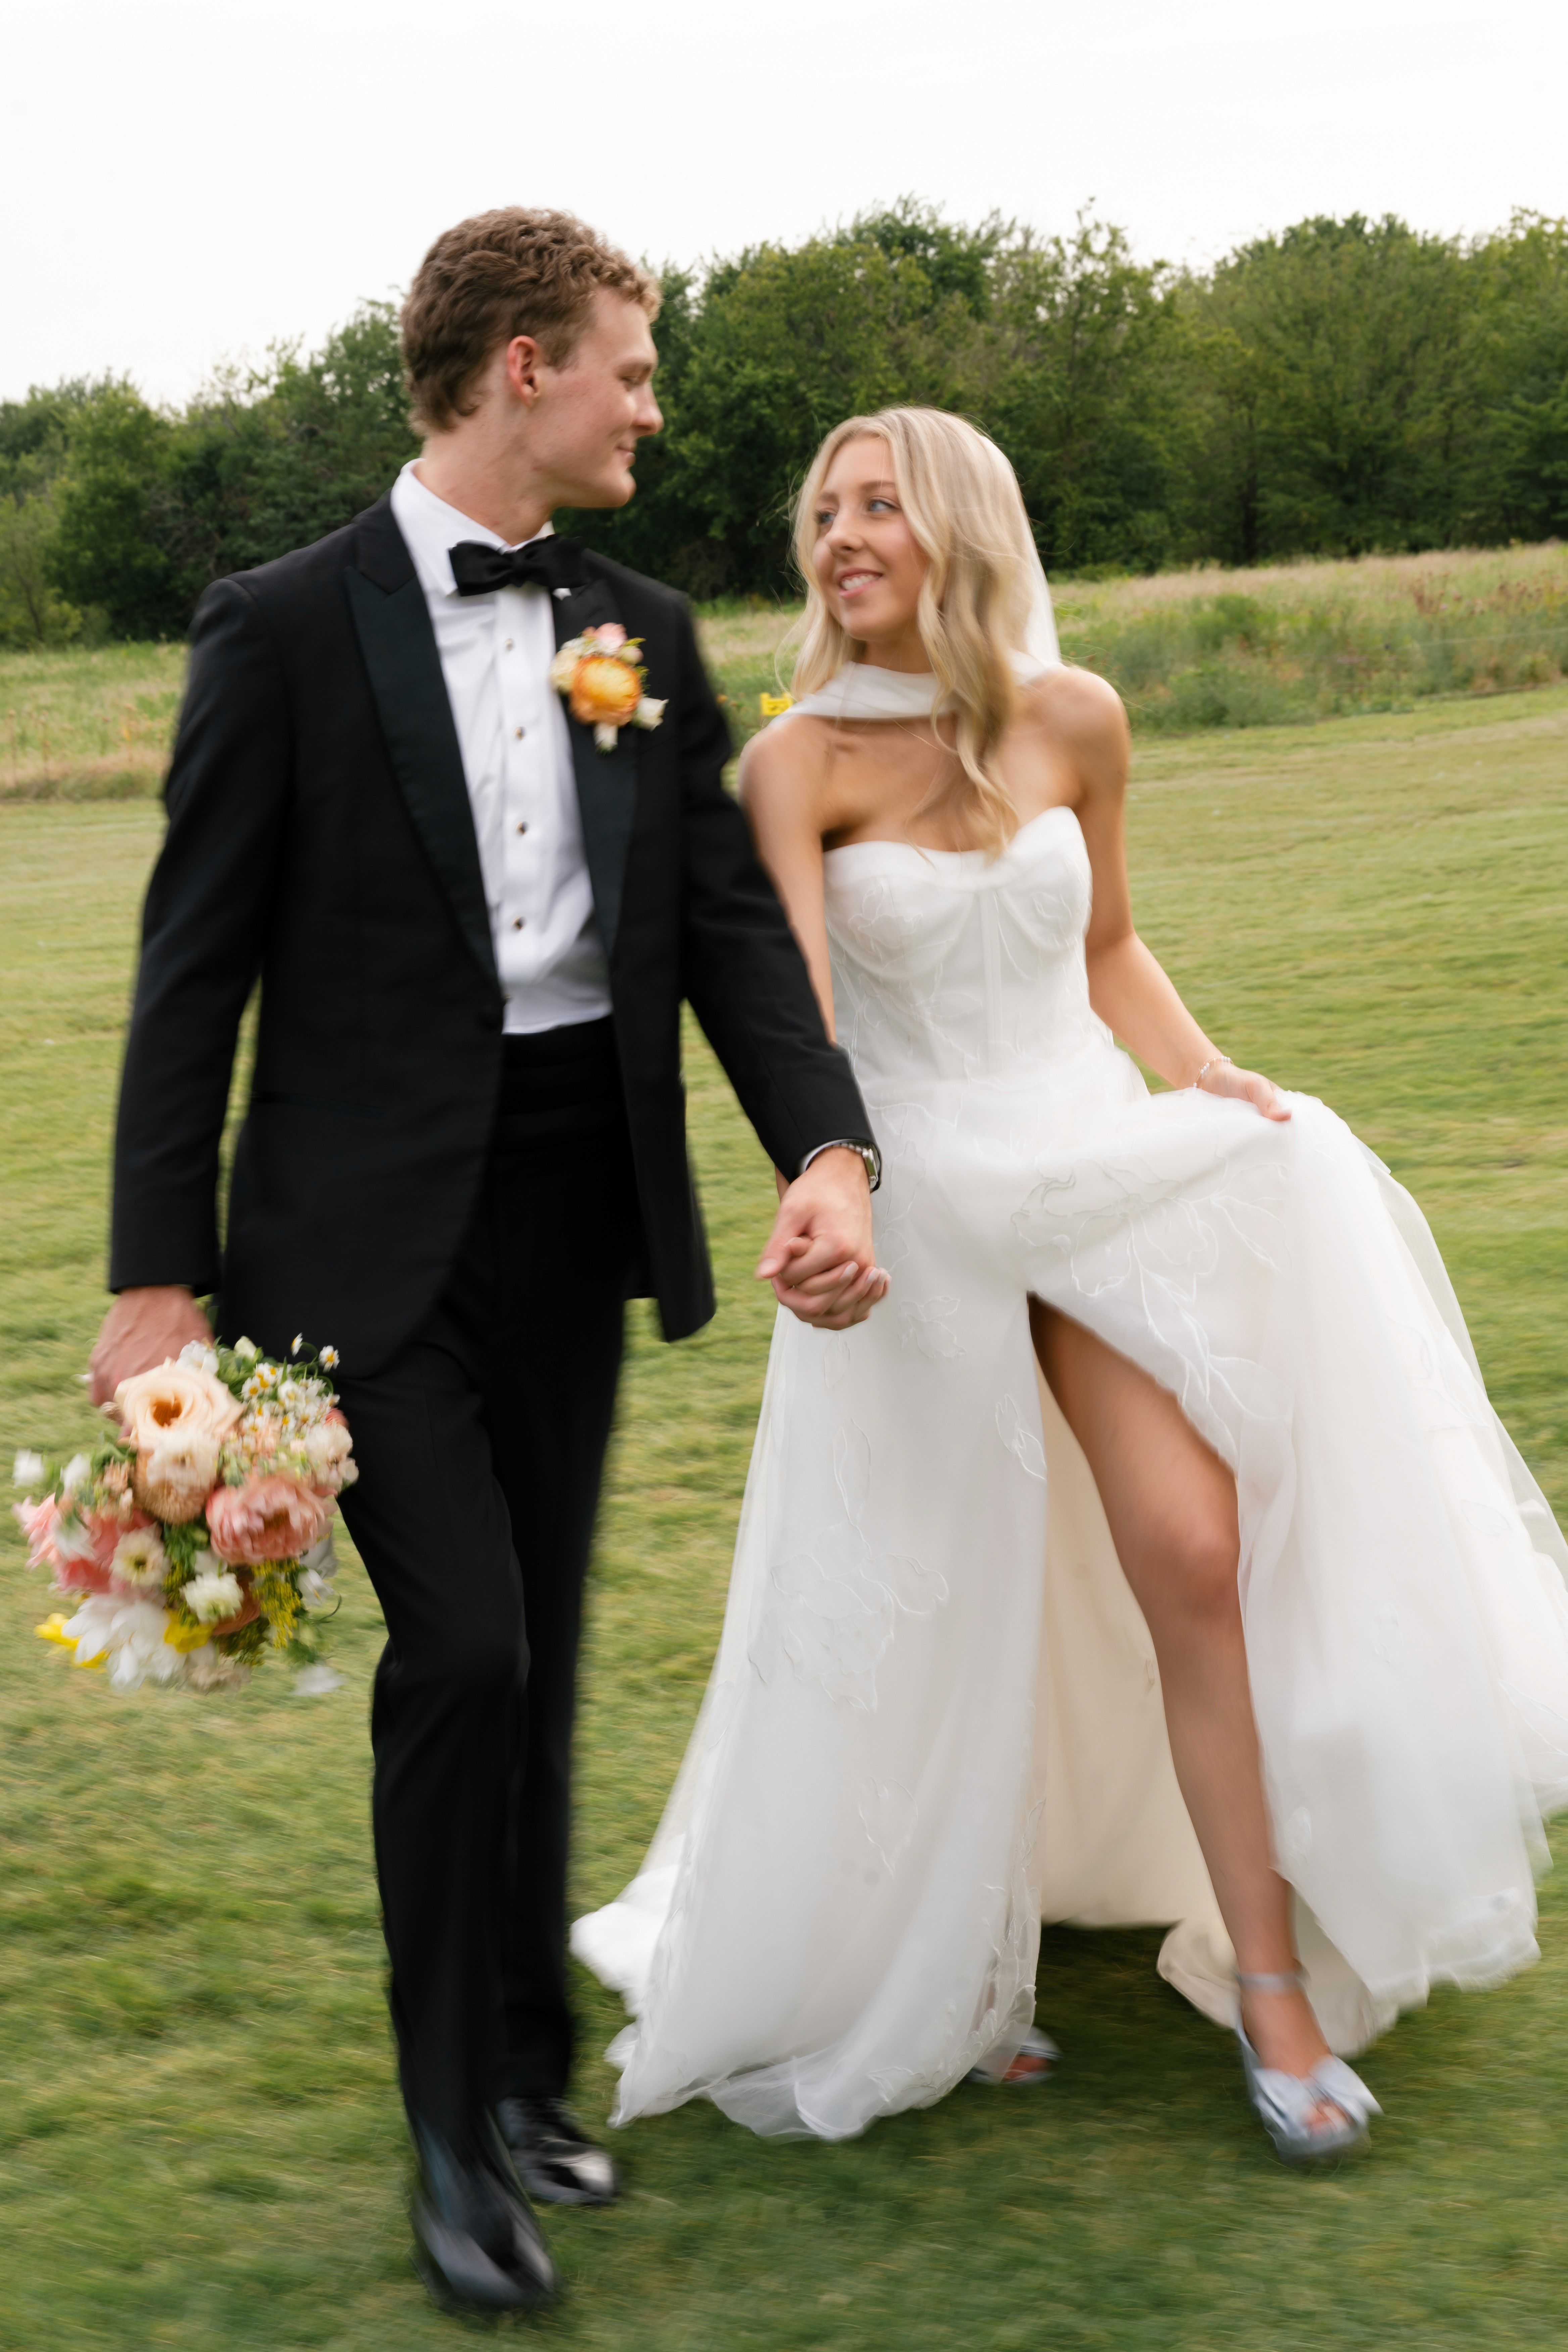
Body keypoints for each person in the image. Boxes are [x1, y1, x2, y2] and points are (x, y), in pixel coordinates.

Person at [573, 404, 1568, 2165]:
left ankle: (1269, 1985)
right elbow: (789, 1027)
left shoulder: (1076, 718)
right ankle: (939, 1965)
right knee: (943, 1586)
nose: (842, 535)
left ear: (964, 525)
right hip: (926, 1212)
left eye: (880, 504)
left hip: (1093, 1173)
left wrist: (1215, 1080)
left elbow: (1105, 945)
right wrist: (833, 1193)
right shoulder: (796, 761)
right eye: (824, 511)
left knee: (1191, 1547)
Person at [87, 209, 890, 2317]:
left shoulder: (634, 621)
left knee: (533, 1659)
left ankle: (531, 2082)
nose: (654, 401)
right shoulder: (275, 628)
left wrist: (826, 1142)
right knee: (464, 1655)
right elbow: (194, 982)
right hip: (352, 1241)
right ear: (521, 369)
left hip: (571, 1211)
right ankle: (449, 2135)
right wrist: (158, 1276)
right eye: (629, 367)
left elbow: (721, 921)